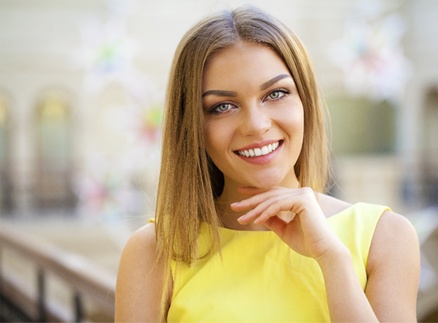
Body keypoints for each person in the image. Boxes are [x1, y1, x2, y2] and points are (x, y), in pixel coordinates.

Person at [115, 5, 420, 322]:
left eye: (276, 93)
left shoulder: (386, 238)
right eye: (223, 106)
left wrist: (333, 259)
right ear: (193, 127)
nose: (256, 125)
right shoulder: (153, 251)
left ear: (305, 103)